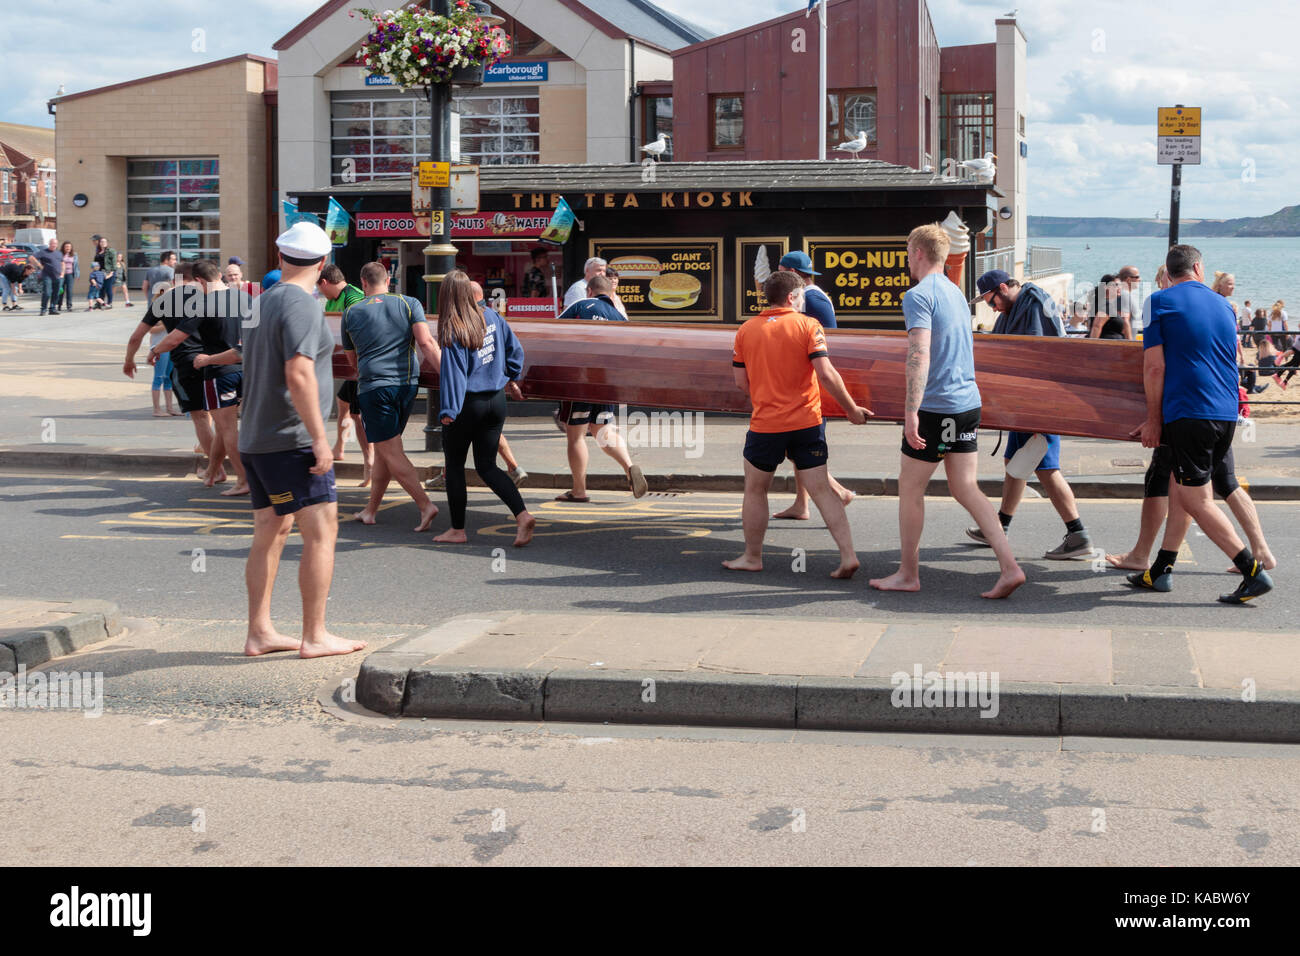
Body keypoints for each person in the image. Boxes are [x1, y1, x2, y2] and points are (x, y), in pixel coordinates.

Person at [869, 224, 1025, 599]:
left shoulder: (918, 295)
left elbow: (918, 354)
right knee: (965, 487)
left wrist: (911, 412)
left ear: (918, 252)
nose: (908, 258)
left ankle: (908, 573)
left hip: (937, 408)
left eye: (908, 251)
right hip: (968, 402)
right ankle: (1010, 566)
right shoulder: (956, 293)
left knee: (910, 487)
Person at [238, 221, 366, 659]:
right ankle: (315, 635)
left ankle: (260, 632)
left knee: (271, 531)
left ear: (280, 258)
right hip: (289, 438)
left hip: (255, 435)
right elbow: (298, 372)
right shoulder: (303, 306)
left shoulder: (263, 300)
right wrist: (320, 439)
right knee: (322, 530)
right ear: (324, 262)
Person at [1128, 244, 1272, 604]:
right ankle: (1161, 570)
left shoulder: (1158, 302)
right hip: (1226, 411)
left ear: (1171, 272)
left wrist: (1152, 420)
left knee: (1196, 498)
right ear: (1198, 269)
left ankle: (1252, 571)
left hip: (1190, 411)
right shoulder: (1224, 304)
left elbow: (1155, 366)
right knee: (1181, 489)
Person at [723, 270, 871, 577]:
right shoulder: (808, 326)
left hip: (766, 425)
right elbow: (826, 374)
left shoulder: (746, 330)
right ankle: (847, 556)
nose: (804, 301)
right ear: (791, 297)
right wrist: (852, 410)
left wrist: (766, 395)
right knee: (822, 490)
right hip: (806, 422)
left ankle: (752, 557)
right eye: (801, 296)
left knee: (755, 490)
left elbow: (740, 383)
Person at [966, 269, 1093, 559]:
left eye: (991, 301)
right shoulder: (1021, 306)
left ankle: (1078, 535)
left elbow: (1032, 353)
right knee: (1015, 462)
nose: (992, 308)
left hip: (1040, 402)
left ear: (1002, 288)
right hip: (1025, 401)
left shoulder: (1034, 304)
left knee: (1046, 468)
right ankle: (998, 526)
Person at [433, 270, 536, 547]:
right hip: (495, 401)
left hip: (467, 404)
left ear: (446, 295)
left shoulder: (452, 327)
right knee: (487, 466)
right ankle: (522, 514)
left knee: (454, 466)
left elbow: (453, 375)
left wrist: (448, 411)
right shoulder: (492, 316)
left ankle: (457, 529)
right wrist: (512, 377)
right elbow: (516, 350)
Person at [342, 261, 441, 532]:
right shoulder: (410, 303)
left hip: (375, 387)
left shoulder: (351, 311)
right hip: (407, 385)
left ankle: (425, 505)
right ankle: (370, 510)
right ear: (388, 281)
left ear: (363, 284)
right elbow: (426, 343)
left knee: (391, 451)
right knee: (387, 450)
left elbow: (352, 361)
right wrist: (451, 377)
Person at [147, 260, 250, 494]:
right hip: (247, 369)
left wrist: (154, 351)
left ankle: (244, 480)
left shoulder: (204, 304)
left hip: (219, 372)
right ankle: (213, 472)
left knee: (227, 429)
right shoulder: (245, 298)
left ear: (201, 281)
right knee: (228, 427)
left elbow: (175, 338)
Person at [770, 250, 855, 522]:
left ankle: (839, 492)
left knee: (799, 447)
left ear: (793, 274)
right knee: (798, 445)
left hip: (811, 387)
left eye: (781, 270)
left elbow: (827, 345)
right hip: (803, 384)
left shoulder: (812, 300)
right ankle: (801, 504)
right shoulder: (807, 298)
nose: (778, 275)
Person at [554, 274, 647, 502]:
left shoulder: (581, 305)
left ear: (589, 291)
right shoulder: (618, 315)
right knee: (602, 431)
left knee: (575, 436)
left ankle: (579, 490)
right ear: (610, 293)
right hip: (606, 383)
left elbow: (553, 330)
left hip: (580, 380)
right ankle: (629, 466)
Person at [123, 276, 222, 481]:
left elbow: (136, 336)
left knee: (200, 418)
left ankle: (216, 470)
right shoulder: (208, 298)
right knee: (223, 419)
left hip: (187, 363)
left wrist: (129, 360)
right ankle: (239, 475)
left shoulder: (163, 302)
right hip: (215, 360)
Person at [317, 264, 372, 481]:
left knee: (358, 416)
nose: (319, 292)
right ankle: (340, 447)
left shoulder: (353, 296)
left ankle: (370, 463)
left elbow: (357, 329)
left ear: (324, 282)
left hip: (360, 363)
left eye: (319, 287)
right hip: (349, 363)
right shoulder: (332, 299)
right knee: (343, 402)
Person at [141, 280, 181, 417]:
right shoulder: (156, 308)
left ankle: (170, 408)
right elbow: (151, 330)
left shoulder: (174, 309)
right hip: (158, 347)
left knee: (168, 378)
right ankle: (157, 409)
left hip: (170, 347)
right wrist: (166, 324)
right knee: (159, 377)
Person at [35, 238, 62, 315]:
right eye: (52, 243)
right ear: (49, 244)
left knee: (56, 293)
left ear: (57, 245)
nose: (54, 245)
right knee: (47, 292)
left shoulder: (59, 253)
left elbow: (62, 263)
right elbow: (32, 258)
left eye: (55, 244)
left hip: (57, 276)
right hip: (47, 275)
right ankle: (43, 309)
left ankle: (52, 309)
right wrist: (40, 265)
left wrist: (62, 273)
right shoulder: (43, 252)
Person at [96, 237, 119, 307]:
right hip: (100, 273)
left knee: (108, 288)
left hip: (109, 272)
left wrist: (112, 272)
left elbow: (114, 262)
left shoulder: (111, 251)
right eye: (101, 242)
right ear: (99, 243)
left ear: (107, 243)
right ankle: (101, 303)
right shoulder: (98, 252)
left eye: (104, 242)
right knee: (101, 288)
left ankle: (110, 303)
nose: (103, 243)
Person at [57, 241, 78, 312]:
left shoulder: (74, 255)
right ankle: (59, 305)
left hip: (70, 274)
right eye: (66, 247)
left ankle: (69, 306)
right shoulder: (60, 254)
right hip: (61, 274)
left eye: (69, 247)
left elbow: (76, 266)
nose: (68, 248)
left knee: (69, 290)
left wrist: (77, 274)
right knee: (61, 290)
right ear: (63, 247)